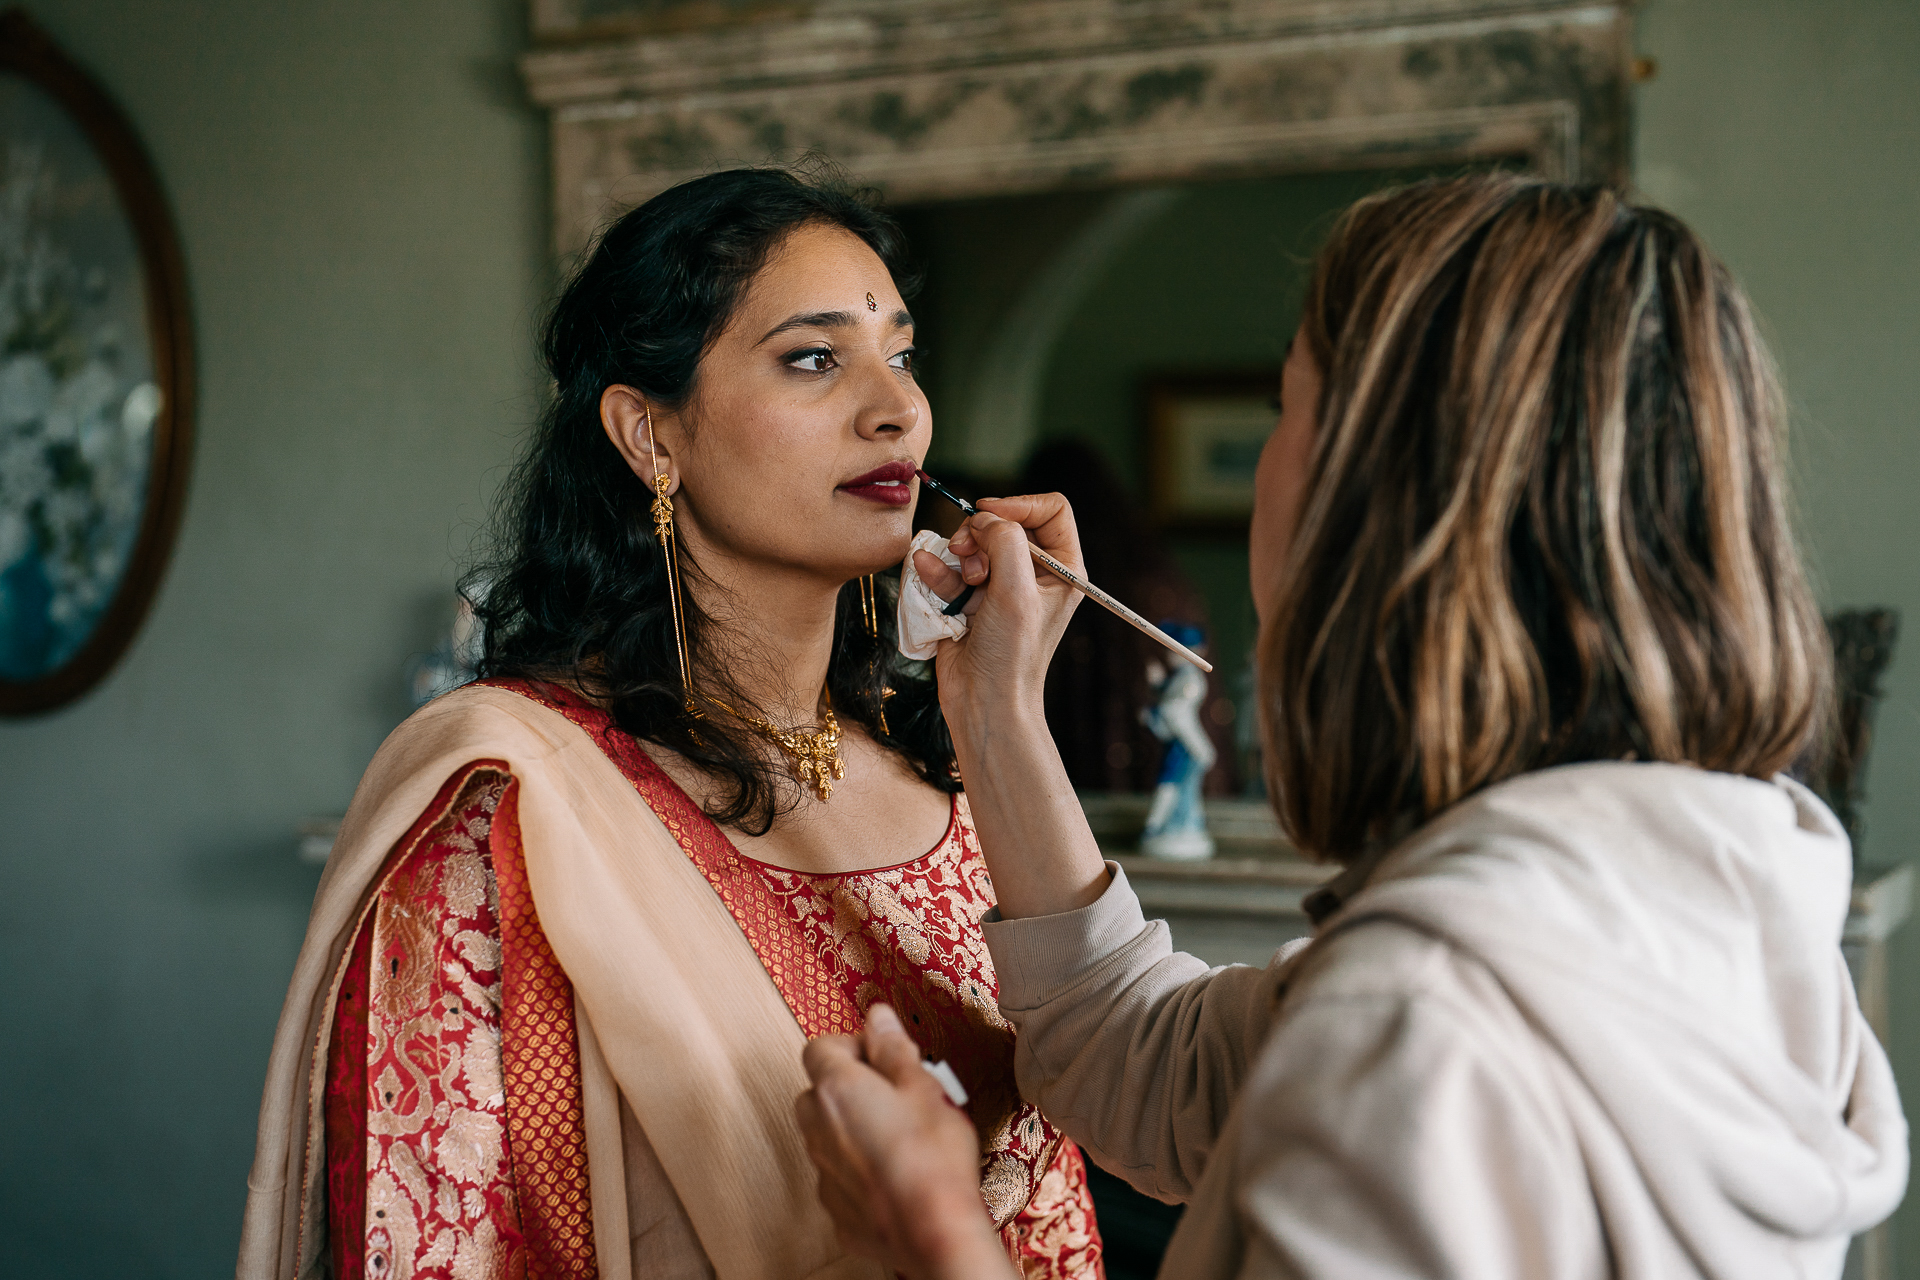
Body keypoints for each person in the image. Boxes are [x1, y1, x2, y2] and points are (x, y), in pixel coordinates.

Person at [794, 174, 1909, 1278]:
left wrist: (934, 1232)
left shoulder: (1419, 1019)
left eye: (1290, 406)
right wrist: (998, 715)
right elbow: (1150, 1066)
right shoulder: (1716, 872)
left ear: (1374, 498)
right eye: (812, 355)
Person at [237, 168, 1103, 1280]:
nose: (897, 409)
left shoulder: (949, 782)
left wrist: (1005, 713)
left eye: (902, 352)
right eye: (814, 357)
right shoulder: (515, 813)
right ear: (649, 435)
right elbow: (435, 1241)